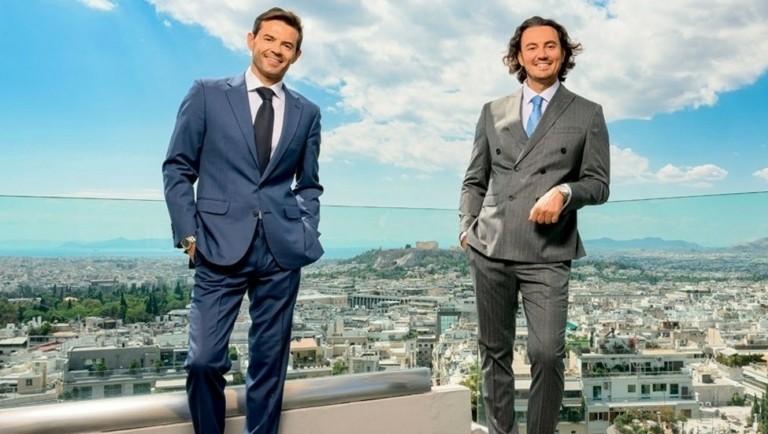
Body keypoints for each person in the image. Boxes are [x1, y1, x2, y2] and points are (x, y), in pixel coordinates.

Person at [162, 7, 323, 434]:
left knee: (269, 365)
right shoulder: (207, 94)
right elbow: (177, 167)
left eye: (287, 45)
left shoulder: (307, 112)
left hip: (281, 250)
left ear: (296, 55)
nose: (277, 49)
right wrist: (189, 236)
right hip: (217, 245)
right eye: (269, 39)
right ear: (251, 40)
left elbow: (309, 183)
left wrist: (306, 231)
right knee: (202, 360)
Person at [459, 16, 610, 434]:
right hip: (490, 246)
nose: (541, 54)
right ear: (519, 56)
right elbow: (475, 179)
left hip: (548, 249)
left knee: (547, 353)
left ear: (563, 54)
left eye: (550, 46)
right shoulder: (492, 111)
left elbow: (598, 184)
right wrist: (466, 228)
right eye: (532, 47)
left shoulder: (588, 113)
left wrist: (564, 193)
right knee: (494, 352)